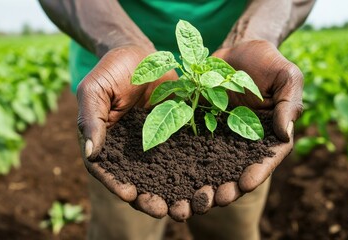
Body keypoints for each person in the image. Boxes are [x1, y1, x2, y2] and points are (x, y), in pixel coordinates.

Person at [39, 0, 315, 239]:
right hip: (126, 97)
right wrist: (120, 40)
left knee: (234, 230)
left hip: (236, 94)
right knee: (122, 232)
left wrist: (254, 35)